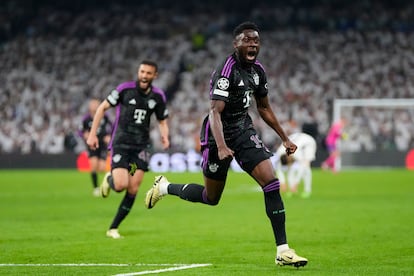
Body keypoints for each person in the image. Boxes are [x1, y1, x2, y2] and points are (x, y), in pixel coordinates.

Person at [145, 22, 307, 268]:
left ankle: (283, 250)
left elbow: (263, 107)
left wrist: (285, 137)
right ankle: (164, 187)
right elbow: (214, 112)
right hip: (216, 135)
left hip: (243, 130)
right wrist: (220, 146)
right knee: (211, 197)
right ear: (236, 44)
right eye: (247, 41)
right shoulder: (226, 70)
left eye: (256, 41)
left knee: (271, 182)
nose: (253, 44)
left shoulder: (258, 71)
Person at [87, 60, 169, 239]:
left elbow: (162, 119)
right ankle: (109, 181)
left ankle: (113, 228)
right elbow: (102, 108)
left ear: (155, 76)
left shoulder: (158, 96)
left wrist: (165, 135)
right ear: (138, 72)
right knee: (121, 186)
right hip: (121, 143)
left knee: (133, 188)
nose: (144, 76)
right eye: (142, 72)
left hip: (142, 146)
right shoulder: (125, 89)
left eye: (148, 73)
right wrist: (92, 134)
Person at [80, 99, 112, 196]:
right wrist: (84, 135)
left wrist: (109, 136)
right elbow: (80, 130)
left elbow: (112, 127)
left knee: (102, 168)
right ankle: (96, 188)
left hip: (102, 144)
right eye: (92, 104)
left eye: (95, 104)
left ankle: (106, 183)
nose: (94, 106)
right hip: (92, 144)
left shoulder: (105, 117)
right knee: (93, 165)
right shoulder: (86, 119)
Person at [275, 132, 317, 198]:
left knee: (306, 167)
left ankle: (307, 190)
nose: (291, 163)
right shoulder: (280, 152)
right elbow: (278, 168)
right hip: (297, 138)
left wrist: (296, 183)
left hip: (308, 142)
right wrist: (282, 182)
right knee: (290, 169)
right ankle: (292, 190)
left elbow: (303, 167)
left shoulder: (296, 152)